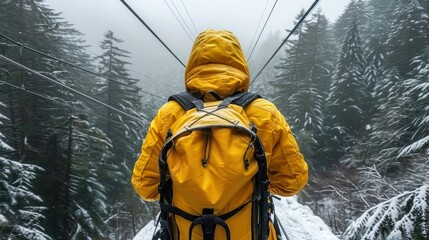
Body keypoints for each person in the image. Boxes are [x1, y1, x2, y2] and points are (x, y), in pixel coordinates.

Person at [132, 29, 308, 240]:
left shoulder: (169, 114)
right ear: (240, 64)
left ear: (193, 64)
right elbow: (292, 183)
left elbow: (146, 187)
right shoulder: (264, 112)